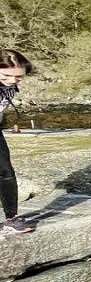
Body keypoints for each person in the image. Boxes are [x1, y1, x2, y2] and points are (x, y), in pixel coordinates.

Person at [0, 48, 34, 235]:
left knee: (6, 172)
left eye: (19, 77)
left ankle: (11, 219)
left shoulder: (11, 84)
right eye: (6, 75)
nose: (13, 80)